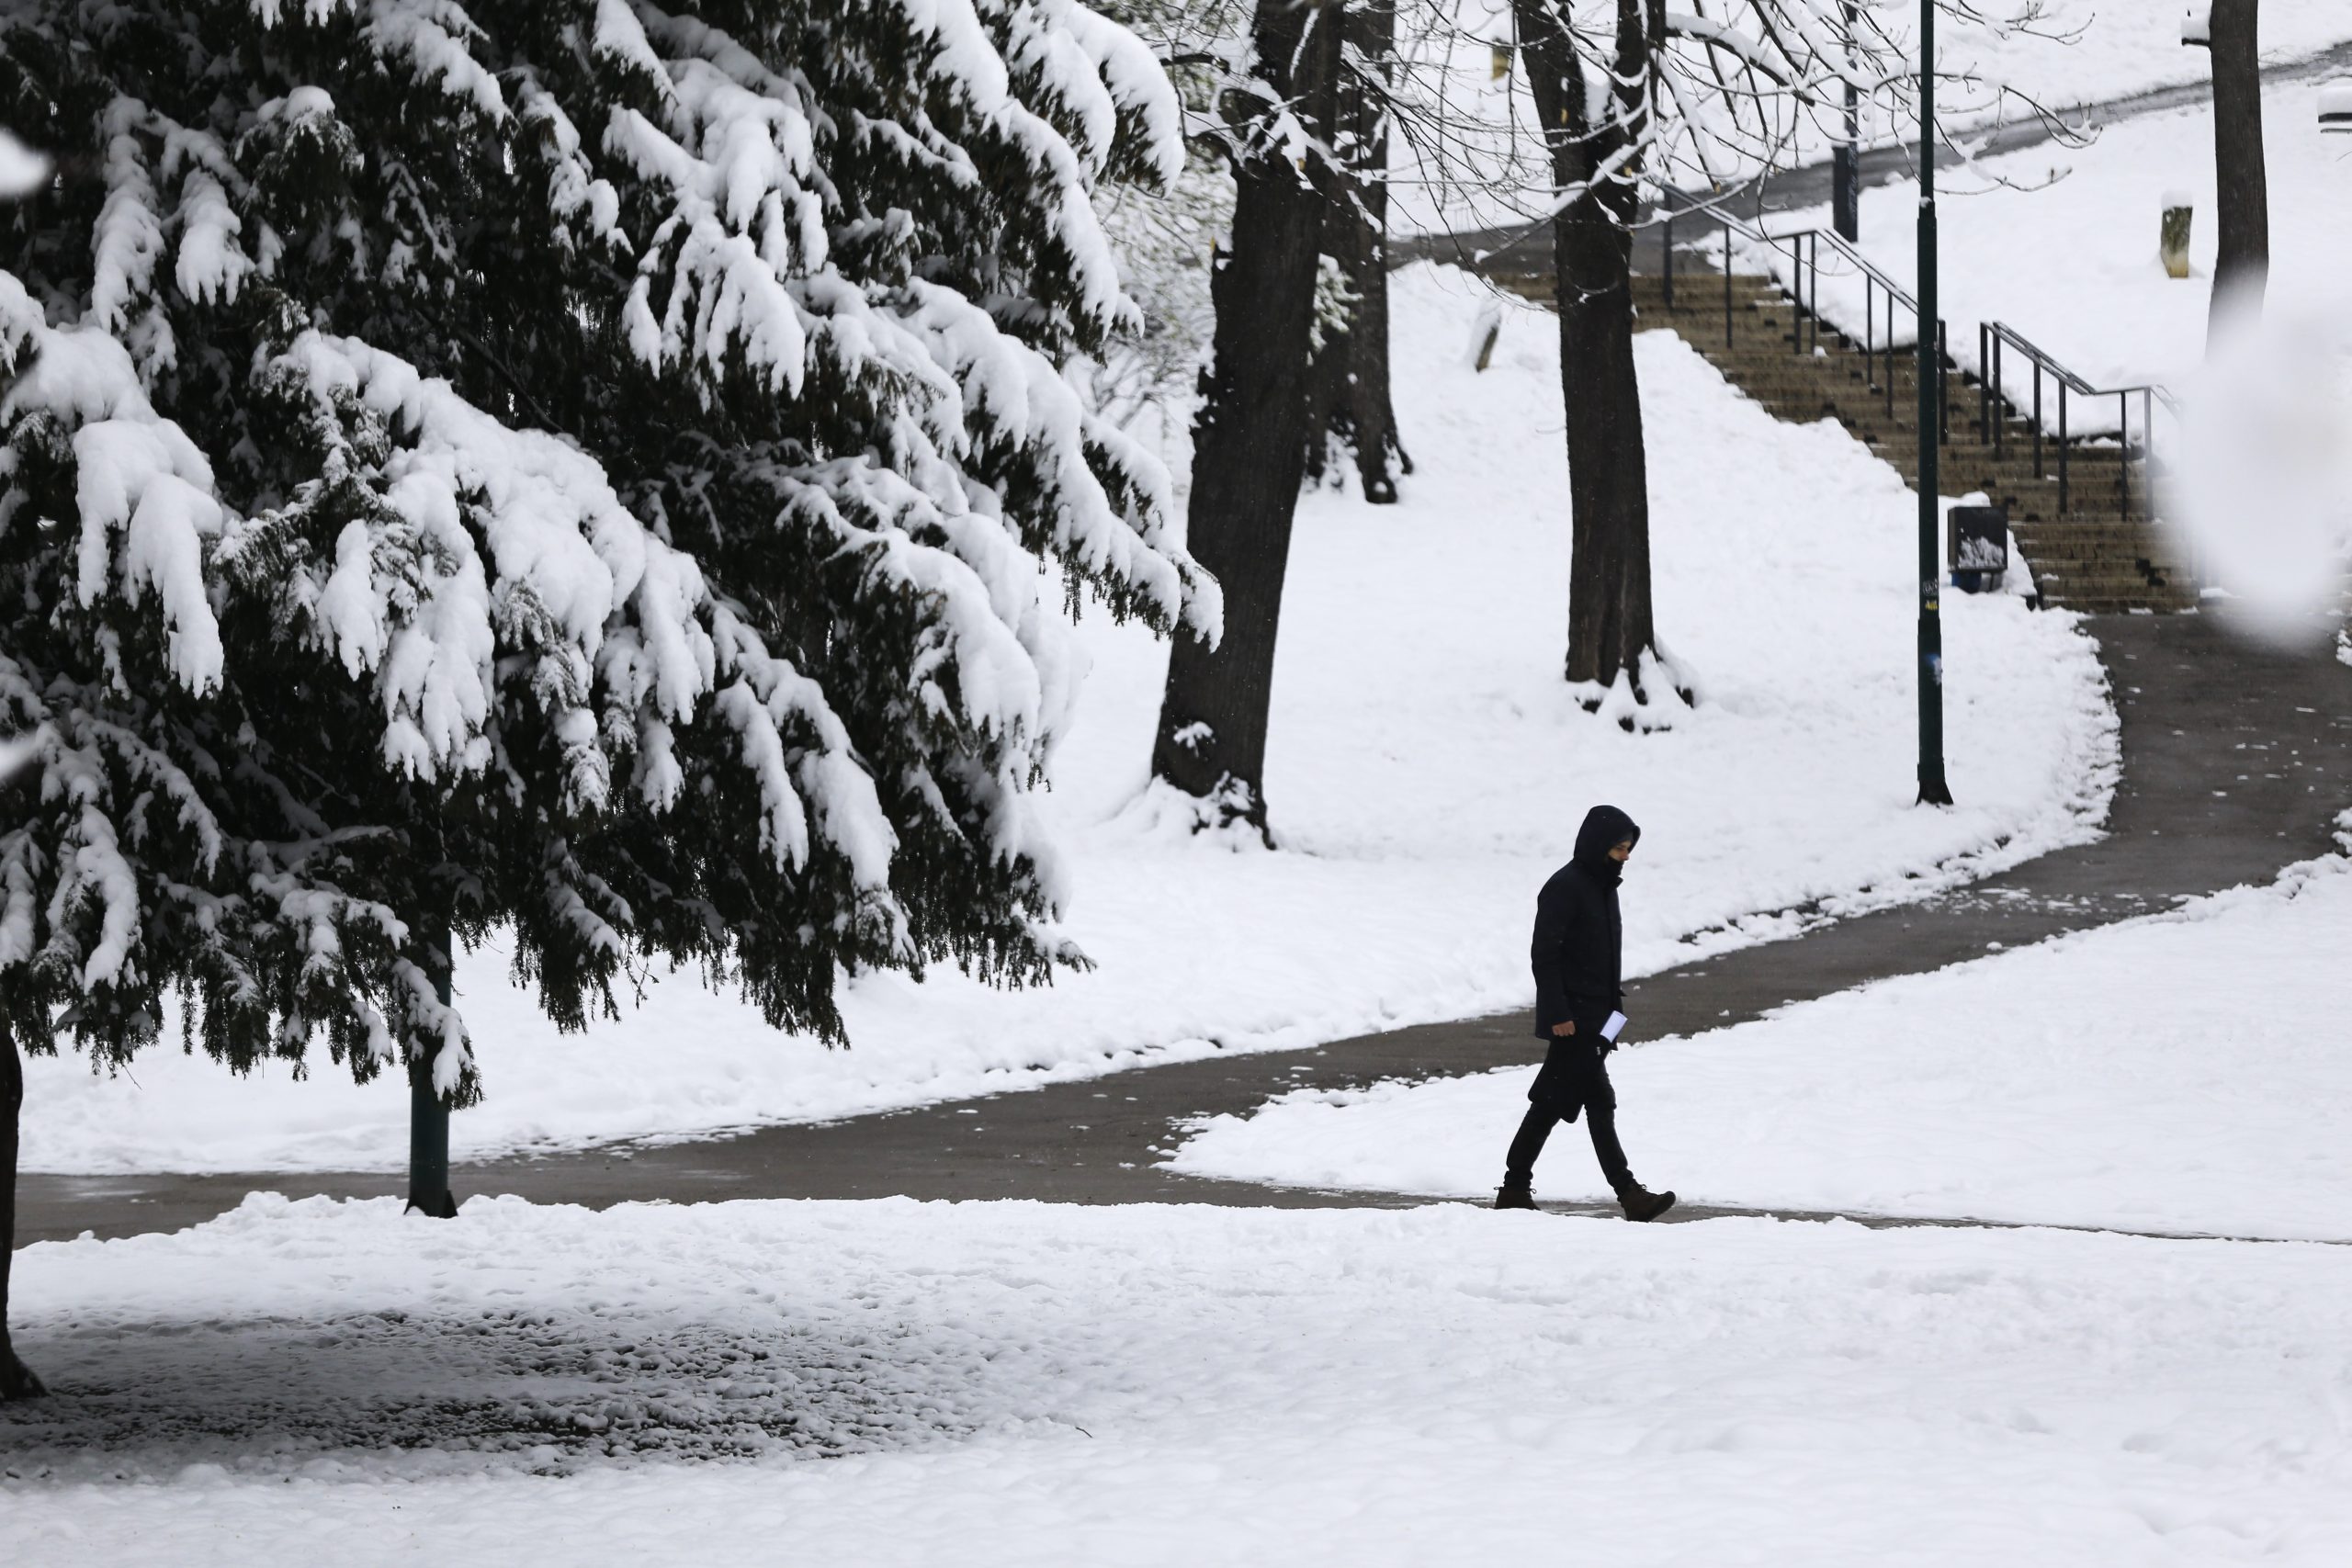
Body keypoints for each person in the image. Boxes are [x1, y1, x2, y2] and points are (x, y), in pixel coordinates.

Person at [1494, 804, 1676, 1221]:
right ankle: (1628, 1195)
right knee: (1584, 1104)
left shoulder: (1604, 886)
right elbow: (1545, 956)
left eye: (1629, 848)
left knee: (1558, 1104)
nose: (1626, 856)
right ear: (1598, 847)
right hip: (1573, 1022)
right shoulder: (1566, 886)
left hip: (1600, 1018)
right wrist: (1558, 1013)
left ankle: (1515, 1188)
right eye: (1619, 848)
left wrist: (1614, 1017)